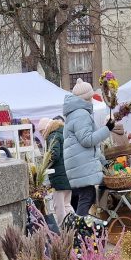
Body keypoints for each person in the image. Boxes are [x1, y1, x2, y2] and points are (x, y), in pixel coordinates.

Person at [63, 77, 114, 216]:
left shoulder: (74, 114)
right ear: (86, 98)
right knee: (87, 195)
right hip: (81, 165)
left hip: (79, 163)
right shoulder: (81, 114)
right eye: (91, 97)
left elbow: (90, 147)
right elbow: (87, 140)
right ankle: (79, 230)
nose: (92, 100)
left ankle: (80, 226)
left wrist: (103, 162)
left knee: (86, 195)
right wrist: (106, 129)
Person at [38, 116, 73, 226]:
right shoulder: (62, 133)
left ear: (46, 128)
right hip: (68, 174)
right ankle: (75, 225)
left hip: (59, 176)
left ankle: (62, 230)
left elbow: (54, 154)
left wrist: (45, 163)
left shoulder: (52, 136)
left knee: (59, 206)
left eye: (41, 131)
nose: (42, 134)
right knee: (67, 204)